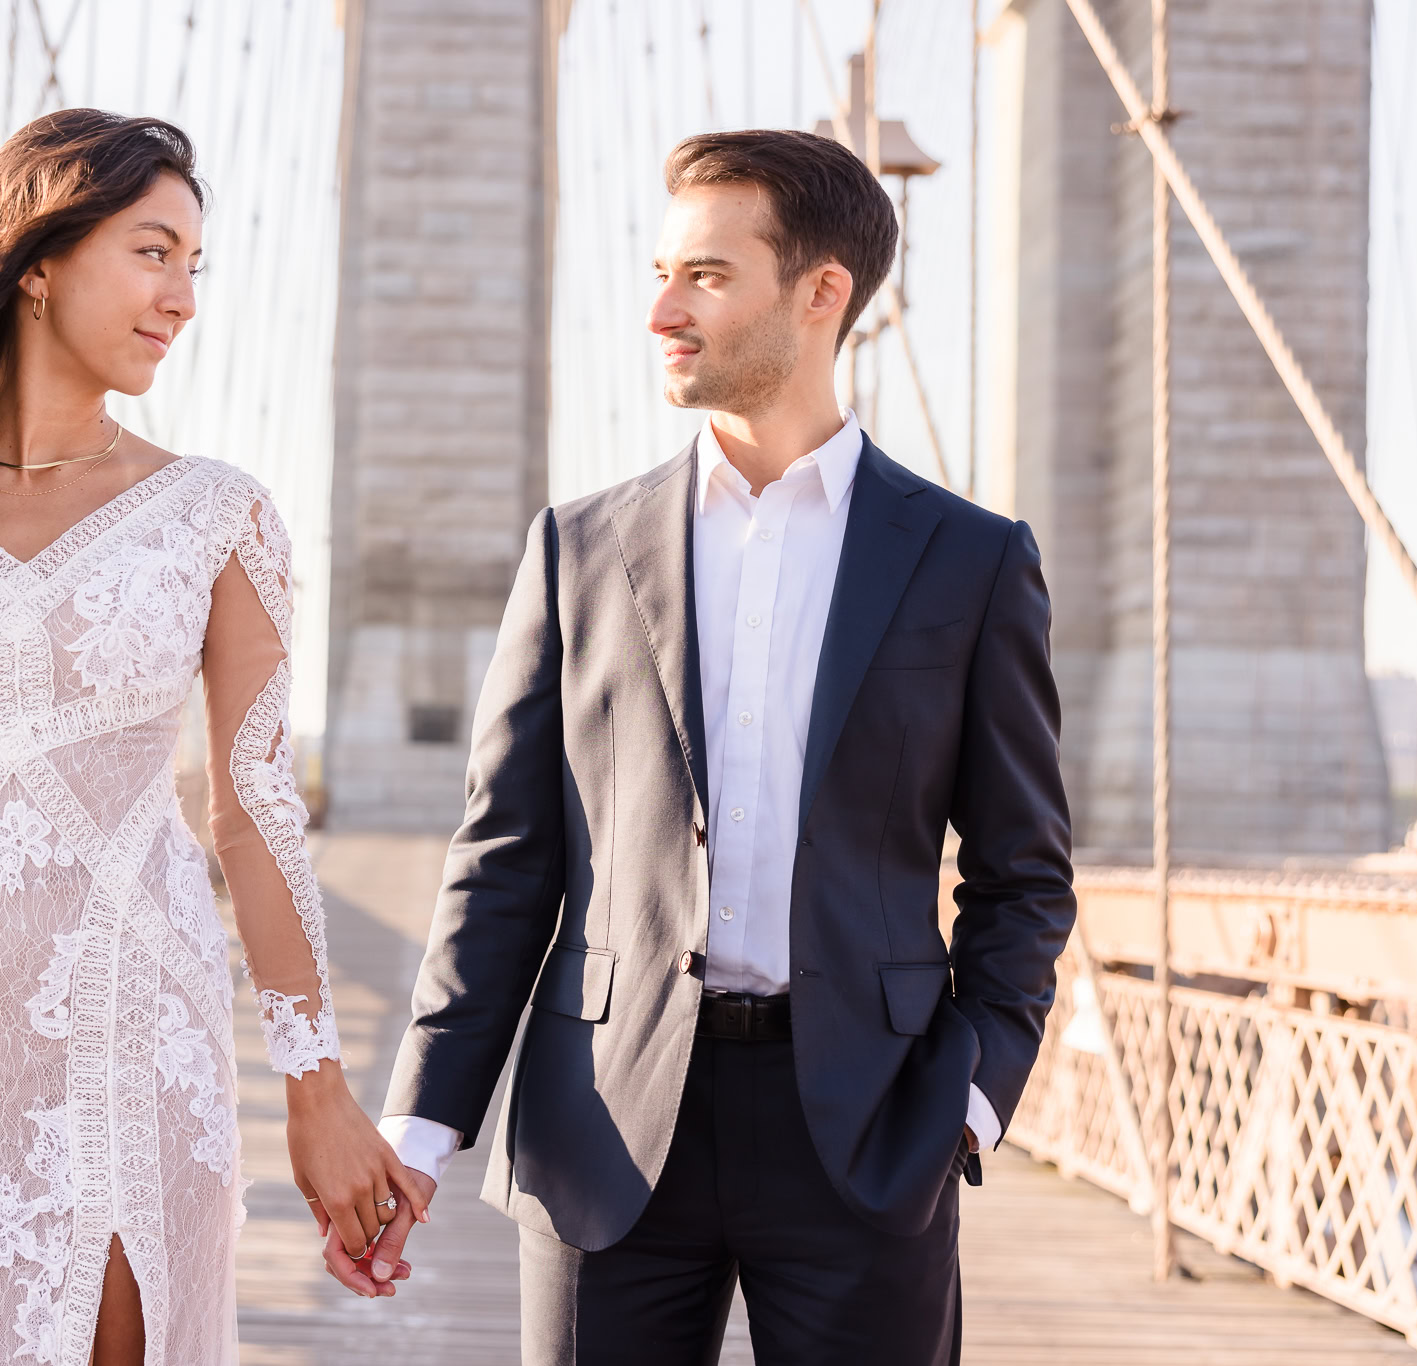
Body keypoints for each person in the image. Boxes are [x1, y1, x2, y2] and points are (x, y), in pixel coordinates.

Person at [354, 129, 1076, 1365]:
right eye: (657, 270)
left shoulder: (970, 559)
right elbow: (506, 858)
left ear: (820, 292)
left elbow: (1022, 873)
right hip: (601, 1130)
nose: (657, 310)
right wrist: (420, 1126)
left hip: (867, 1130)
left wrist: (966, 1100)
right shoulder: (575, 547)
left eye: (702, 275)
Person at [0, 110, 424, 1366]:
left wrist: (313, 1085)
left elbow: (252, 815)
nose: (182, 298)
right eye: (153, 252)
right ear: (36, 257)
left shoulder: (217, 518)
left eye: (195, 267)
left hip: (130, 1043)